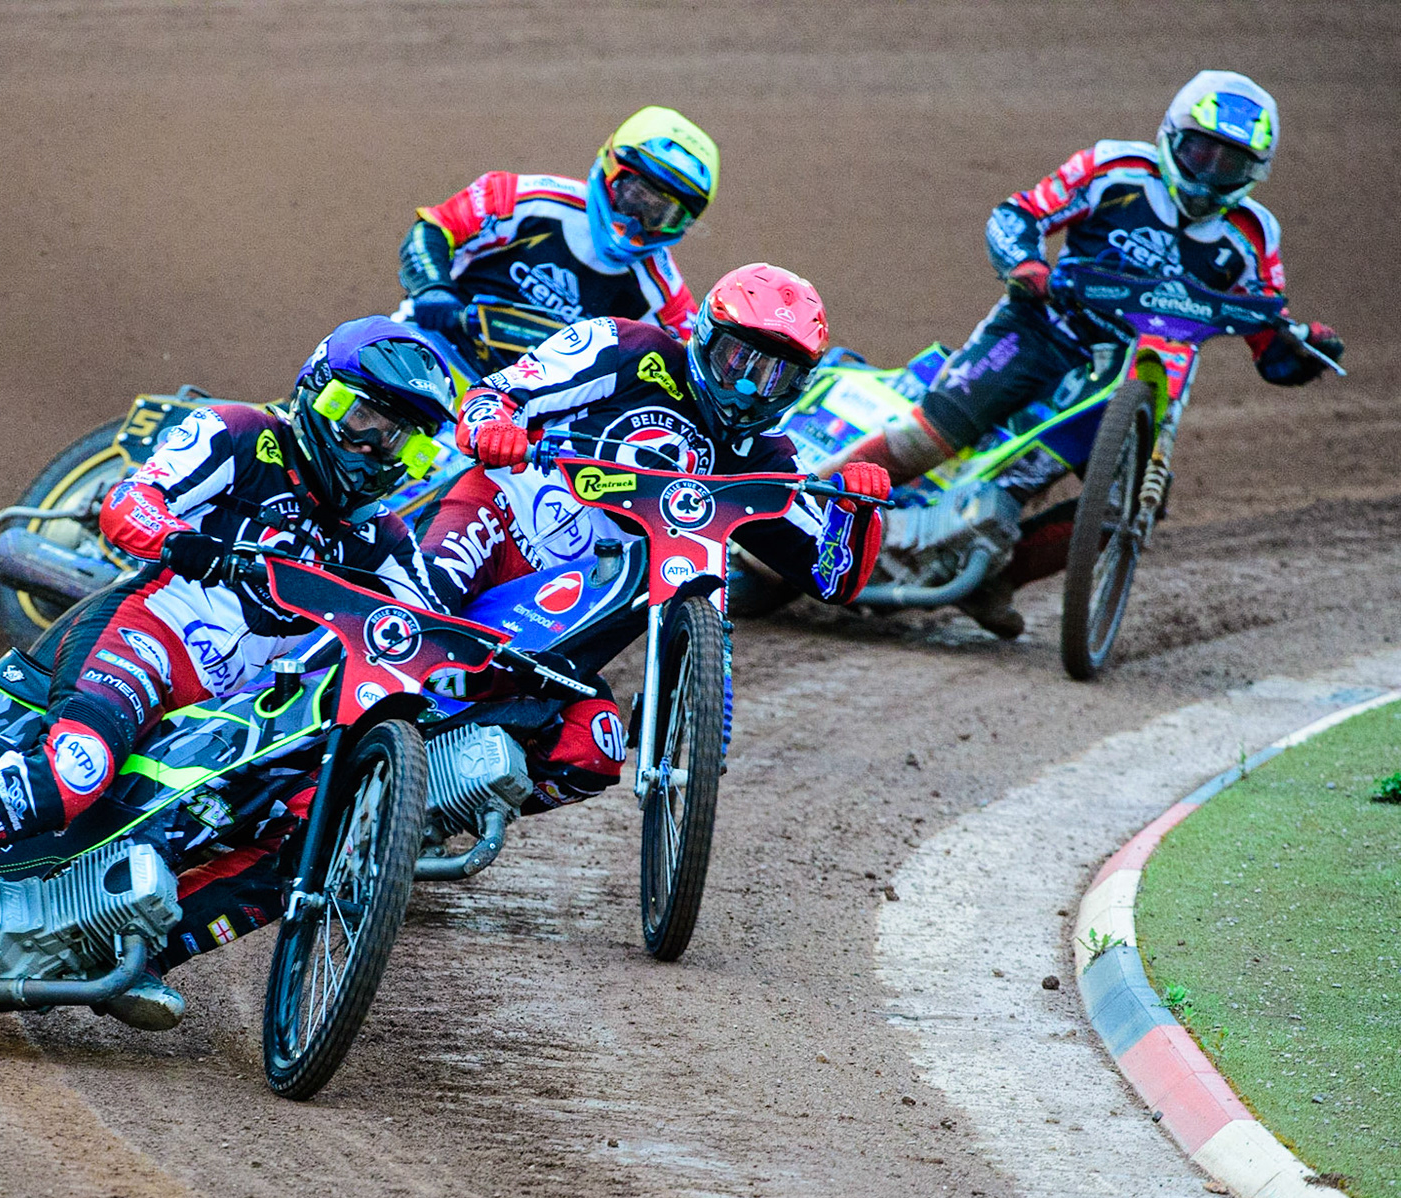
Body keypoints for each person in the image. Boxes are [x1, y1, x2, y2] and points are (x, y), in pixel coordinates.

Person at [0, 317, 457, 1027]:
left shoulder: (382, 538)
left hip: (227, 712)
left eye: (403, 441)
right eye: (358, 417)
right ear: (315, 393)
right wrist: (186, 544)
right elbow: (127, 504)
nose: (371, 447)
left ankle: (134, 951)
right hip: (146, 634)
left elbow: (419, 635)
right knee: (77, 767)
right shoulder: (238, 433)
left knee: (292, 840)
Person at [816, 70, 1346, 638]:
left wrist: (1308, 350)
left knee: (1132, 506)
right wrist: (1025, 264)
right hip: (1044, 327)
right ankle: (795, 510)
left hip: (1141, 372)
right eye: (1201, 152)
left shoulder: (1254, 236)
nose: (1210, 174)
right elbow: (1018, 215)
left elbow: (1270, 345)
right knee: (932, 437)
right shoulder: (1115, 169)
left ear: (1254, 173)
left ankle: (997, 580)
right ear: (1172, 136)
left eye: (1230, 164)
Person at [423, 263, 890, 811]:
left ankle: (428, 809)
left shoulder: (767, 459)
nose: (746, 387)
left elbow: (833, 576)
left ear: (797, 387)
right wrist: (493, 428)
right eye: (738, 360)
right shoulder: (626, 346)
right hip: (500, 518)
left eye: (772, 377)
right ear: (707, 338)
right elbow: (495, 394)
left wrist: (857, 511)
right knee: (414, 621)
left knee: (592, 750)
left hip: (575, 609)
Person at [397, 106, 720, 373]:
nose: (635, 223)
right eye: (635, 196)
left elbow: (693, 371)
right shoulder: (522, 198)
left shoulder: (668, 303)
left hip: (510, 412)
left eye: (661, 215)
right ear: (611, 168)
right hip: (428, 349)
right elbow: (435, 228)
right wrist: (433, 288)